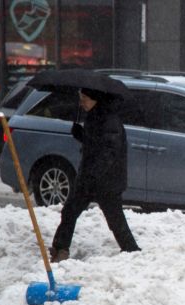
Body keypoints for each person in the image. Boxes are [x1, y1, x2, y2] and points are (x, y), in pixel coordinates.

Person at [49, 88, 140, 262]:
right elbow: (96, 144)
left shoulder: (109, 120)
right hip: (90, 178)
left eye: (84, 98)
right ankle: (60, 249)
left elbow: (110, 152)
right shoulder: (94, 115)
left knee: (115, 219)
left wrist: (95, 173)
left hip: (106, 180)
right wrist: (81, 135)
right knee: (69, 211)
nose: (81, 102)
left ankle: (132, 251)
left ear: (95, 99)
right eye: (80, 98)